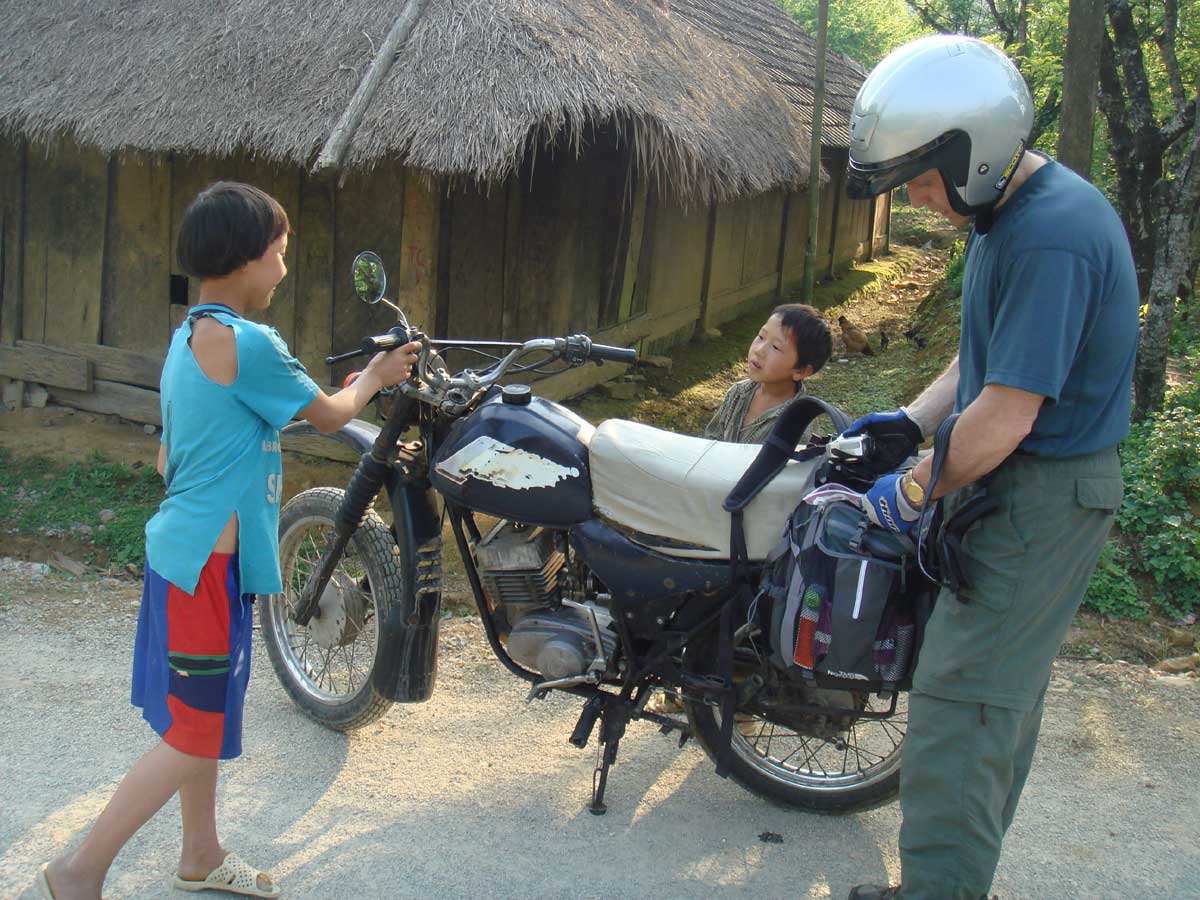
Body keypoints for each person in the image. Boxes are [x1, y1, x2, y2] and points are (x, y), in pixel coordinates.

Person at [39, 182, 420, 900]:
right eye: (277, 254)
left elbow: (222, 431)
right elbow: (336, 416)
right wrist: (377, 375)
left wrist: (345, 388)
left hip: (188, 558)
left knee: (202, 719)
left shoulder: (192, 336)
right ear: (245, 260)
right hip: (203, 571)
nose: (281, 268)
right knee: (192, 730)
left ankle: (200, 853)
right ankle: (78, 869)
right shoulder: (251, 342)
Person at [837, 36, 1138, 900]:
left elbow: (1005, 416)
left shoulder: (1051, 236)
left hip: (1037, 493)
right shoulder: (1011, 215)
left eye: (925, 179)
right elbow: (985, 367)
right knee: (991, 702)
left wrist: (910, 489)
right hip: (1017, 484)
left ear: (978, 148)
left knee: (964, 707)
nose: (920, 200)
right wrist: (910, 421)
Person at [702, 303, 833, 444]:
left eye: (776, 347)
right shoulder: (738, 393)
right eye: (761, 337)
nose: (759, 350)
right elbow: (710, 441)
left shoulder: (798, 424)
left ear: (800, 371)